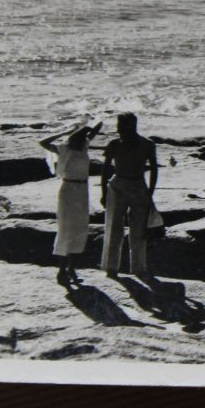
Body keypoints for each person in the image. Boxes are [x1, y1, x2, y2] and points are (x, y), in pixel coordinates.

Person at [39, 120, 100, 282]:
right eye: (82, 135)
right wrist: (64, 132)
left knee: (80, 228)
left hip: (81, 190)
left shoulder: (84, 145)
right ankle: (61, 271)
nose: (86, 137)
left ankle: (72, 269)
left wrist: (90, 124)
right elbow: (43, 142)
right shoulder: (64, 148)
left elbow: (98, 126)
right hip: (68, 189)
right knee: (66, 228)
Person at [100, 113, 158, 278]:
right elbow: (105, 169)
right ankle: (111, 268)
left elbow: (154, 169)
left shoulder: (147, 144)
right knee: (113, 228)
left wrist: (150, 193)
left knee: (138, 230)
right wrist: (104, 193)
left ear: (131, 126)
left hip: (139, 186)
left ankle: (138, 268)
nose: (118, 129)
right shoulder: (114, 144)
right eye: (118, 126)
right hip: (117, 185)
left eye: (121, 126)